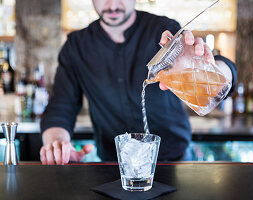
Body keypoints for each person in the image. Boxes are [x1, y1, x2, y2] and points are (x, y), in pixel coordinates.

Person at [40, 0, 237, 165]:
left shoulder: (163, 30)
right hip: (113, 167)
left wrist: (210, 67)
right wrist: (58, 145)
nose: (112, 4)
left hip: (175, 163)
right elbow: (60, 107)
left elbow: (227, 70)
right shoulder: (77, 45)